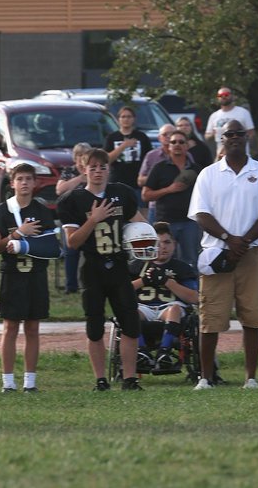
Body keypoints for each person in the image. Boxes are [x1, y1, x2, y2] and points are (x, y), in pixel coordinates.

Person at [188, 120, 258, 390]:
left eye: (240, 133)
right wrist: (229, 239)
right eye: (229, 133)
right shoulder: (208, 174)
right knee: (211, 317)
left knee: (252, 315)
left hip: (252, 254)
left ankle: (250, 378)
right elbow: (201, 214)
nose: (235, 138)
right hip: (217, 253)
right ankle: (205, 378)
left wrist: (244, 241)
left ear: (246, 137)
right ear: (221, 138)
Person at [57, 148, 146, 391]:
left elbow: (141, 224)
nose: (98, 171)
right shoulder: (73, 200)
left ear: (109, 169)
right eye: (93, 167)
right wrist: (93, 219)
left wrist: (149, 239)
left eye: (102, 167)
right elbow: (72, 242)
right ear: (84, 169)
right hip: (92, 266)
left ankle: (129, 378)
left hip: (118, 265)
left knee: (130, 322)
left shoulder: (122, 194)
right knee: (94, 326)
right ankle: (100, 380)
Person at [0, 163, 56, 393]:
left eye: (29, 179)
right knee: (10, 327)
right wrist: (17, 235)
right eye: (20, 179)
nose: (25, 183)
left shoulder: (42, 210)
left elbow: (53, 247)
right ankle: (7, 382)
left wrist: (26, 244)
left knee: (33, 327)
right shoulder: (2, 211)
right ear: (12, 183)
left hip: (36, 275)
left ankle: (30, 382)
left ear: (35, 183)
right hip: (12, 275)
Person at [130, 222, 199, 373]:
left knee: (174, 308)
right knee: (130, 311)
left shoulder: (182, 268)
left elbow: (195, 298)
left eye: (167, 242)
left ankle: (164, 352)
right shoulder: (137, 266)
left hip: (169, 309)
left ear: (174, 244)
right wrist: (144, 281)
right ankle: (142, 351)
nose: (162, 247)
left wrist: (167, 282)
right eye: (157, 243)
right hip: (143, 308)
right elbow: (121, 291)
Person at [142, 130, 202, 268]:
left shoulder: (197, 169)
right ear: (168, 146)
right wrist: (169, 189)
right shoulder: (159, 168)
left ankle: (190, 289)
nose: (177, 145)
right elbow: (145, 195)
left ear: (187, 146)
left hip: (190, 222)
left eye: (181, 142)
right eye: (173, 142)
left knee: (191, 261)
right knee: (163, 260)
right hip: (166, 223)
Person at [56, 143, 94, 294]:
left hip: (90, 216)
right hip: (71, 216)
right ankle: (70, 286)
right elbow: (60, 189)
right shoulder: (69, 171)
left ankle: (90, 284)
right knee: (71, 251)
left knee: (91, 252)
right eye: (79, 156)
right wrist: (80, 178)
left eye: (85, 155)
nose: (81, 159)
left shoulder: (93, 171)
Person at [104, 106, 152, 208]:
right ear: (118, 119)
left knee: (140, 212)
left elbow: (149, 159)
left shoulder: (142, 137)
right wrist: (124, 146)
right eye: (123, 117)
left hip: (136, 183)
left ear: (133, 119)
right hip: (117, 182)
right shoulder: (112, 137)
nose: (126, 119)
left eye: (129, 117)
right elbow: (106, 160)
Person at [137, 124, 178, 223]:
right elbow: (140, 180)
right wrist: (158, 178)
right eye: (165, 134)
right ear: (159, 138)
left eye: (171, 134)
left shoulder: (185, 155)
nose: (168, 137)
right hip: (156, 206)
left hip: (179, 206)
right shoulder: (151, 156)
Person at [204, 86, 256, 151]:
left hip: (241, 154)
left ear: (232, 96)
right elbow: (207, 136)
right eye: (220, 95)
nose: (223, 97)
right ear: (217, 98)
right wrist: (212, 134)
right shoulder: (214, 116)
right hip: (221, 155)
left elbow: (251, 133)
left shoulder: (243, 112)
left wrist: (240, 138)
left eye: (226, 94)